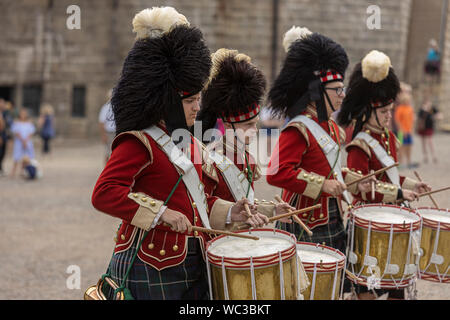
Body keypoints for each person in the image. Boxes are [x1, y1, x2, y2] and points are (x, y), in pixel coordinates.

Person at [89, 7, 269, 300]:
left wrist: (229, 211)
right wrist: (161, 213)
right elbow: (104, 192)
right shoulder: (140, 142)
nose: (198, 107)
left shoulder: (190, 143)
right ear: (169, 99)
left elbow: (199, 201)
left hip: (191, 263)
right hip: (151, 263)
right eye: (191, 100)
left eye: (199, 99)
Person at [265, 26, 372, 257]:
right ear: (317, 92)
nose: (342, 95)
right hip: (303, 220)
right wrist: (322, 185)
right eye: (337, 90)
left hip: (331, 213)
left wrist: (354, 182)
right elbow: (276, 173)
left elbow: (328, 170)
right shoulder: (298, 128)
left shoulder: (331, 127)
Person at [338, 50, 431, 299]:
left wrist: (410, 184)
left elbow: (391, 177)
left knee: (397, 287)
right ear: (368, 112)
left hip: (391, 220)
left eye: (391, 110)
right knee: (367, 289)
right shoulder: (360, 145)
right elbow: (360, 187)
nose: (390, 116)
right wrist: (399, 192)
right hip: (369, 224)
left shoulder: (389, 138)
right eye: (384, 112)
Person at [197, 48, 295, 222]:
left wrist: (273, 210)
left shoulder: (246, 157)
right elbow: (200, 206)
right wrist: (230, 215)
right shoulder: (209, 159)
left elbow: (244, 203)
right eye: (248, 125)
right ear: (228, 124)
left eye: (255, 123)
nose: (255, 130)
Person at [394, 82, 416, 169]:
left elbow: (412, 120)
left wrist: (411, 129)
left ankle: (409, 162)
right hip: (401, 131)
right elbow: (397, 120)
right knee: (401, 147)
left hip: (409, 130)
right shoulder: (400, 109)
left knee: (409, 146)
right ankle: (401, 162)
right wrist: (401, 129)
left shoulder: (410, 109)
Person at [10, 108, 36, 178]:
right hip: (19, 142)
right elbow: (16, 132)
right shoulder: (16, 122)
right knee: (17, 157)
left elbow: (31, 133)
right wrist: (22, 140)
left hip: (27, 142)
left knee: (27, 158)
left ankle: (24, 171)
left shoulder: (29, 123)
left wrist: (26, 140)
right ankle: (13, 172)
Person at [417, 99, 443, 164]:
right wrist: (425, 111)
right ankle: (425, 156)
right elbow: (419, 118)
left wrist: (435, 116)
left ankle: (434, 156)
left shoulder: (432, 109)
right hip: (423, 128)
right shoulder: (421, 110)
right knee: (423, 143)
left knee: (430, 141)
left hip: (429, 127)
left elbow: (440, 115)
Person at [98, 90, 116, 165]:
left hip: (116, 132)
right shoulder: (105, 108)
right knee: (108, 152)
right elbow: (101, 122)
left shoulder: (118, 107)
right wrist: (103, 135)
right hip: (109, 133)